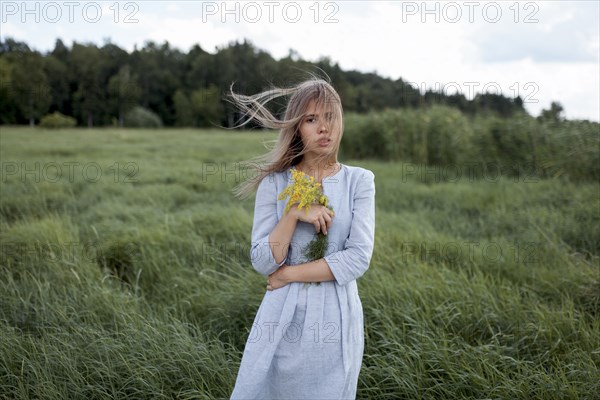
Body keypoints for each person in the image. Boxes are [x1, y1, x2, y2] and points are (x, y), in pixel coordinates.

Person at [228, 74, 376, 399]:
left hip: (337, 315)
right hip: (282, 314)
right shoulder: (276, 184)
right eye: (311, 119)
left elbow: (357, 258)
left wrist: (288, 275)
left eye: (330, 116)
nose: (324, 128)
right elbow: (263, 259)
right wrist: (294, 212)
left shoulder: (359, 181)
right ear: (297, 127)